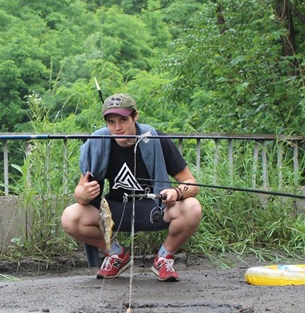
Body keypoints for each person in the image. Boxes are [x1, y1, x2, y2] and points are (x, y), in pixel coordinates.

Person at [61, 94, 203, 282]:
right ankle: (116, 254)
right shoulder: (99, 142)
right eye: (111, 122)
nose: (117, 128)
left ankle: (164, 257)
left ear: (135, 116)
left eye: (123, 120)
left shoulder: (155, 138)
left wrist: (176, 192)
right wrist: (84, 193)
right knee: (70, 217)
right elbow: (79, 192)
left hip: (155, 209)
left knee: (192, 207)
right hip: (113, 212)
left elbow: (191, 184)